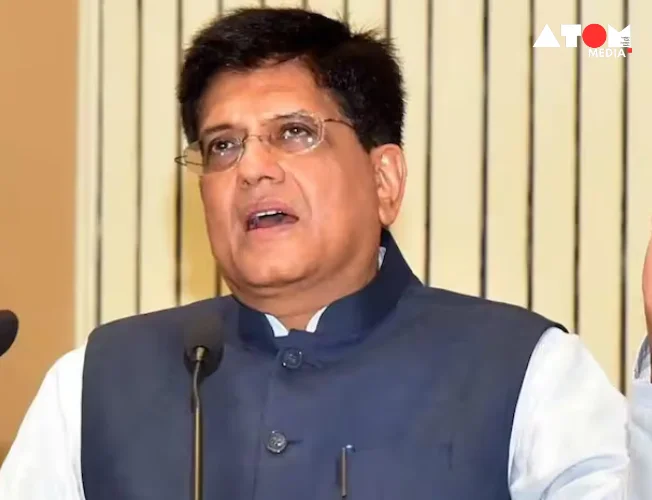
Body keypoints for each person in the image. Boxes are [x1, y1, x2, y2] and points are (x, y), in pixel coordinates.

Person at [1, 7, 652, 499]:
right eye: (223, 145)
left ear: (384, 179)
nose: (252, 167)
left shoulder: (527, 370)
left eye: (294, 133)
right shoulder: (93, 383)